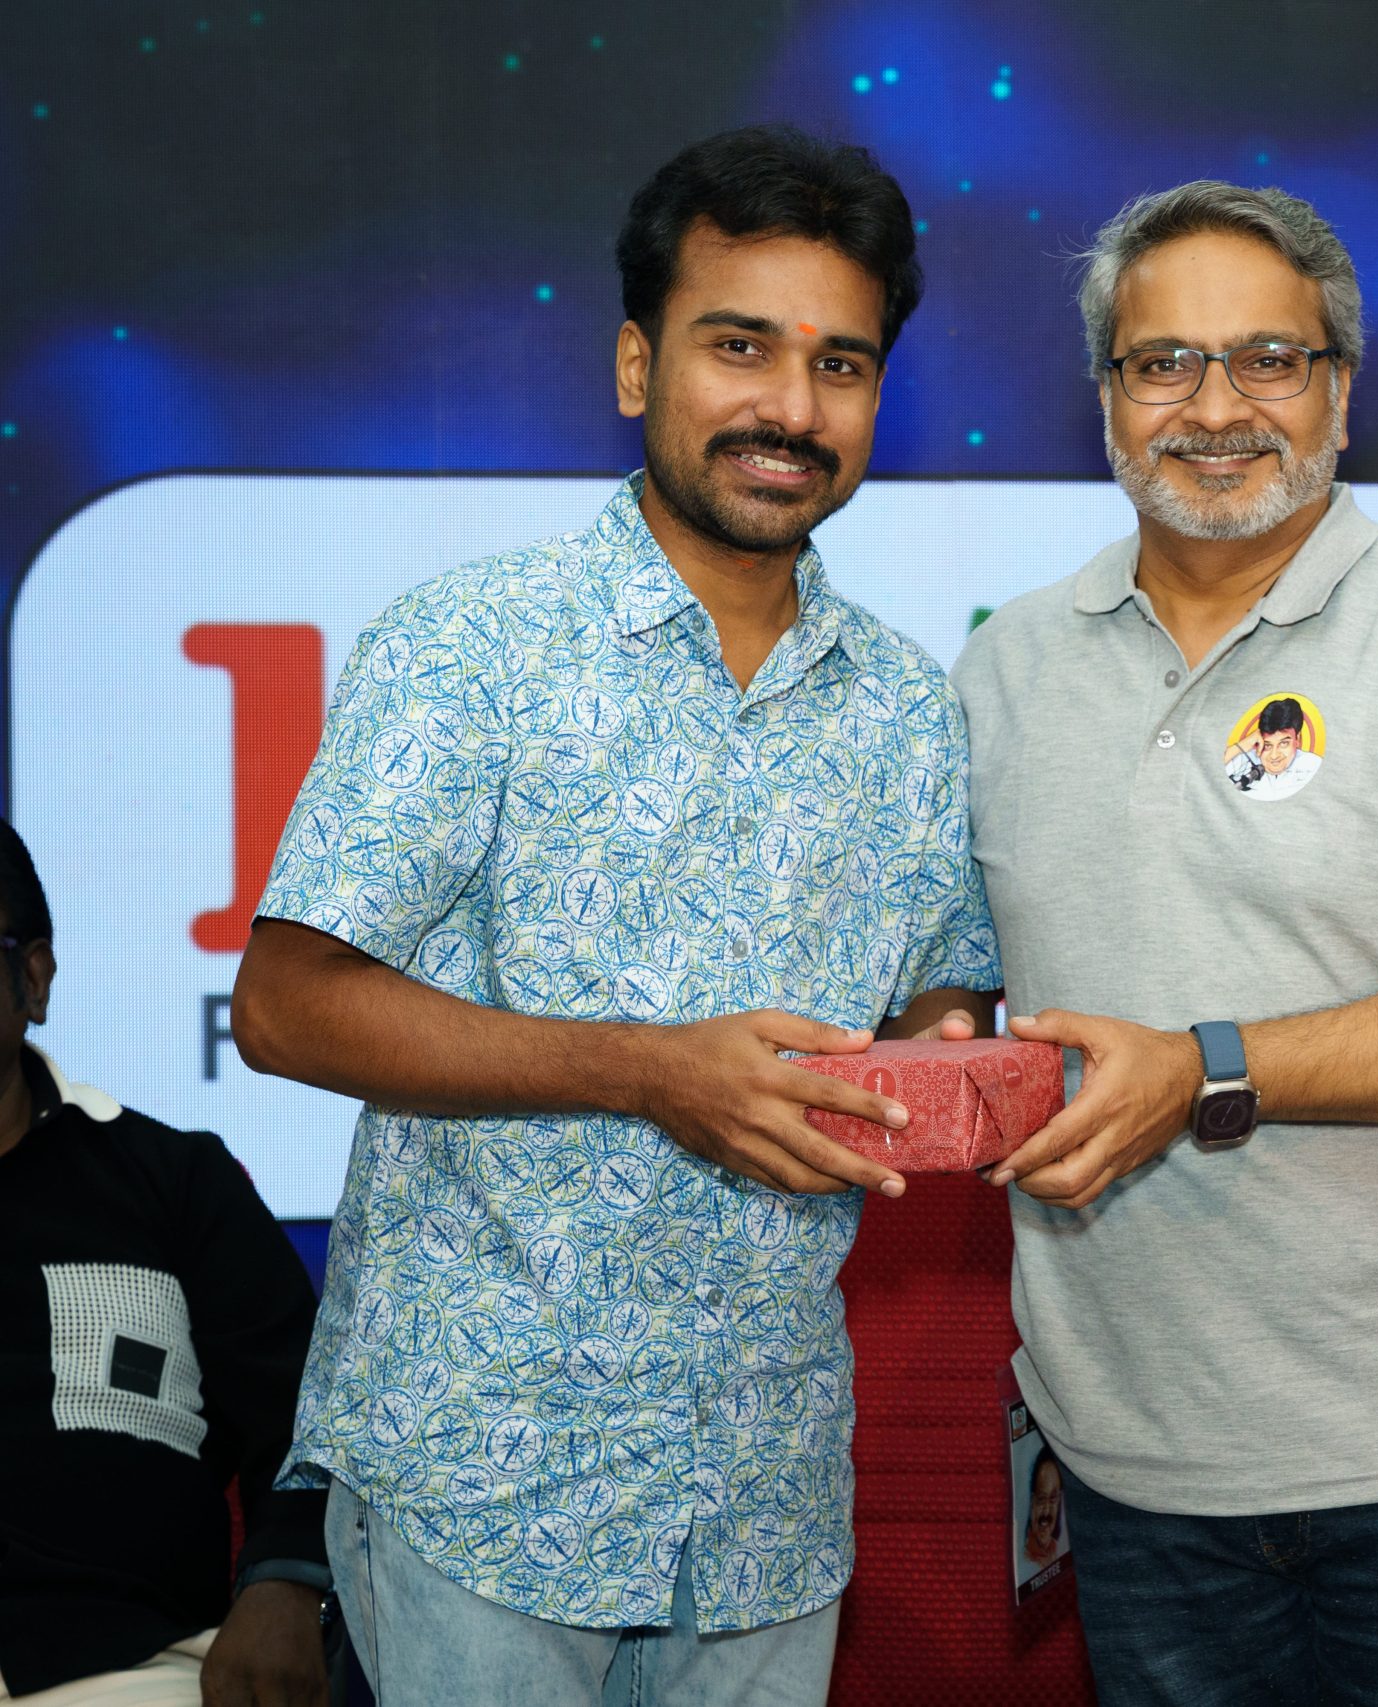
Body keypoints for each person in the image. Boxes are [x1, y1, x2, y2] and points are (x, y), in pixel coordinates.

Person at [229, 126, 1000, 1702]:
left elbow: (937, 995)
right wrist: (651, 1069)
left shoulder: (909, 709)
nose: (792, 408)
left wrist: (948, 1055)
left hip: (769, 1493)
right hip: (482, 1476)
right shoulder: (471, 646)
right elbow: (287, 1002)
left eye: (841, 364)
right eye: (741, 346)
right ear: (639, 364)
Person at [951, 181, 1378, 1706]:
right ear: (1106, 394)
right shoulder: (1003, 671)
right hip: (1130, 1459)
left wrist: (1205, 1067)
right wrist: (939, 1044)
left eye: (1268, 358)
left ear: (1339, 385)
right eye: (1163, 363)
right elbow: (965, 987)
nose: (1215, 408)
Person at [0, 822, 332, 1707]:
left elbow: (305, 1417)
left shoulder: (175, 1182)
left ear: (33, 977)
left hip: (126, 1667)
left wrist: (286, 1583)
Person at [1022, 1445, 1065, 1570]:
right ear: (1032, 1502)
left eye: (1052, 1499)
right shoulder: (1025, 1558)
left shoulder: (1058, 1551)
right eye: (1041, 1499)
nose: (1046, 1511)